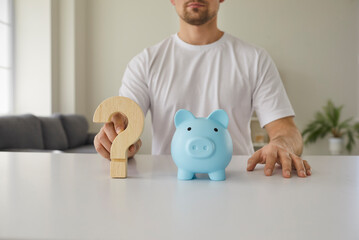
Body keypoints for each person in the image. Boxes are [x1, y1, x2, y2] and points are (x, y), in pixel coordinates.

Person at [94, 0, 312, 178]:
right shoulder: (145, 63)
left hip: (238, 186)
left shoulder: (255, 59)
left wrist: (281, 144)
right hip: (169, 189)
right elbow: (125, 126)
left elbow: (287, 132)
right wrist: (118, 141)